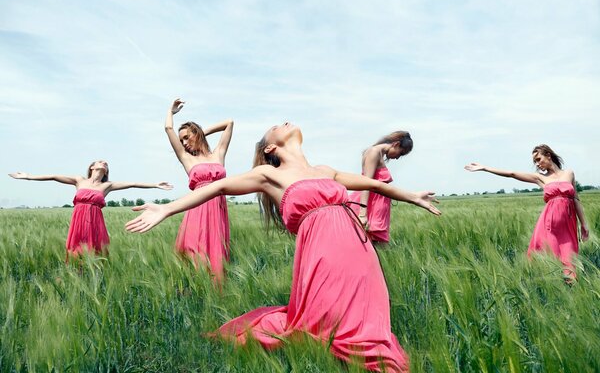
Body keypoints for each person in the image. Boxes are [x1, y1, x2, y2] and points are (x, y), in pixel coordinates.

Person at [127, 122, 440, 372]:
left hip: (358, 247)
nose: (285, 122)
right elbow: (219, 186)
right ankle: (339, 351)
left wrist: (411, 196)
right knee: (327, 314)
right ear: (271, 146)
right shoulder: (268, 175)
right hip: (321, 248)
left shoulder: (324, 170)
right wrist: (167, 209)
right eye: (277, 126)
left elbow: (372, 185)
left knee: (367, 311)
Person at [465, 144, 589, 280]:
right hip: (549, 226)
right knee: (551, 260)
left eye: (538, 159)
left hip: (568, 225)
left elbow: (576, 199)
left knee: (569, 261)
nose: (537, 164)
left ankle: (570, 290)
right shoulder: (540, 178)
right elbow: (512, 174)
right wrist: (485, 168)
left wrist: (584, 224)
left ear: (548, 155)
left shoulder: (569, 173)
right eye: (535, 161)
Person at [9, 160, 172, 259]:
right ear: (92, 167)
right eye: (100, 161)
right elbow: (53, 176)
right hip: (78, 219)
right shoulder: (79, 180)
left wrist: (155, 185)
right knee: (77, 249)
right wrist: (28, 176)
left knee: (96, 249)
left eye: (106, 164)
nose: (104, 163)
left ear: (106, 171)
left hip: (95, 221)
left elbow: (134, 183)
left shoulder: (107, 185)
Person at [165, 98, 234, 282]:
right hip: (198, 209)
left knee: (217, 257)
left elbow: (229, 123)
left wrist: (202, 133)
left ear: (197, 134)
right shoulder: (187, 159)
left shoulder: (218, 154)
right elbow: (168, 129)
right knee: (196, 255)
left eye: (187, 137)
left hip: (218, 210)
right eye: (182, 140)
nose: (184, 143)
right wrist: (170, 112)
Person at [349, 131, 413, 242]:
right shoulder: (374, 152)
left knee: (377, 247)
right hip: (372, 208)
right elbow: (365, 183)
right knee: (377, 247)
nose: (398, 157)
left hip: (377, 208)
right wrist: (363, 214)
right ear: (396, 144)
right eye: (401, 153)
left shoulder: (378, 153)